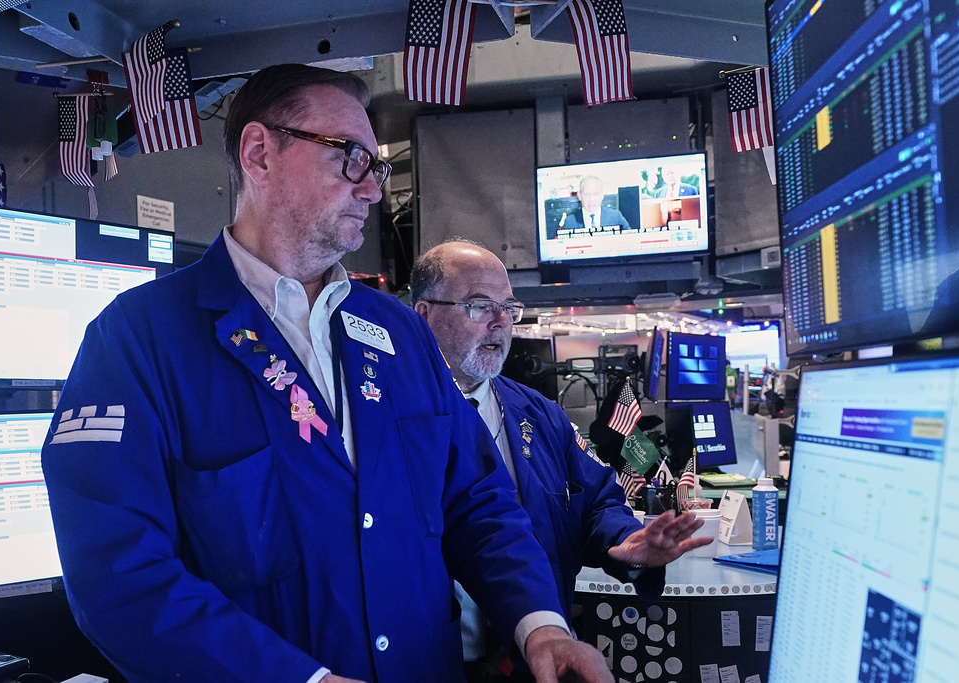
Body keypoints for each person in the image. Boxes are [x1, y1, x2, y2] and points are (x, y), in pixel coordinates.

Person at [40, 64, 614, 683]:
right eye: (350, 158)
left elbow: (477, 500)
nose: (371, 189)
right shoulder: (136, 340)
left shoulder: (400, 333)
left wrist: (540, 625)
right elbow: (119, 575)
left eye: (377, 167)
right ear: (260, 152)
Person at [411, 241, 713, 682]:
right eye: (479, 306)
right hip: (429, 664)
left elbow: (595, 501)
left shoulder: (540, 414)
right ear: (423, 313)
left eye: (508, 307)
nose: (500, 322)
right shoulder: (388, 417)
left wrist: (630, 544)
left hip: (534, 661)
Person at [561, 176, 631, 232]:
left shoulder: (615, 217)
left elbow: (631, 239)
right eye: (587, 194)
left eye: (596, 194)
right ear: (579, 196)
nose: (591, 199)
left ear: (602, 195)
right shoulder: (569, 222)